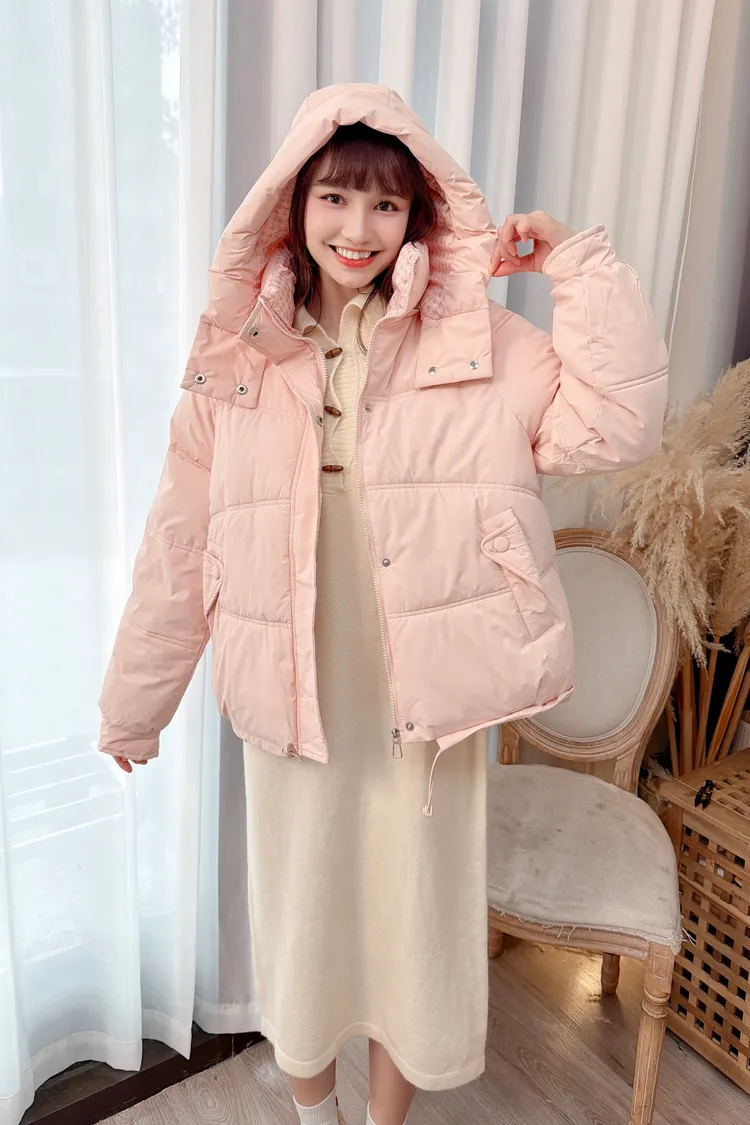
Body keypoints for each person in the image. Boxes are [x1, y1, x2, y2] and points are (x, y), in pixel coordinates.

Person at [97, 83, 669, 1125]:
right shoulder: (237, 353)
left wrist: (575, 265)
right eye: (335, 197)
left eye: (386, 204)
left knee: (416, 929)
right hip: (292, 683)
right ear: (293, 204)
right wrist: (136, 704)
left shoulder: (479, 341)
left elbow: (617, 426)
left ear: (418, 216)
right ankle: (315, 1116)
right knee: (303, 920)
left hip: (428, 695)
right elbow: (180, 536)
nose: (358, 228)